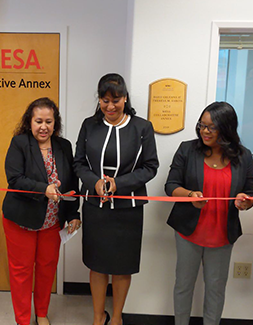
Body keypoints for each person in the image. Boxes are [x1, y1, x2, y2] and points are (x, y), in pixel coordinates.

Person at [74, 73, 158, 325]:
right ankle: (98, 317)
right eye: (104, 100)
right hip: (95, 207)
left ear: (125, 98)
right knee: (98, 265)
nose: (110, 106)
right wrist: (95, 182)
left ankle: (117, 317)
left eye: (116, 100)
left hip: (128, 209)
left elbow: (150, 167)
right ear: (99, 100)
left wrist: (118, 183)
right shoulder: (89, 125)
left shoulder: (142, 128)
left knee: (122, 266)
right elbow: (78, 163)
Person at [164, 102, 253, 325]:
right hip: (189, 232)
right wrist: (189, 195)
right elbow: (171, 185)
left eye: (211, 127)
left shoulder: (244, 156)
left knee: (215, 288)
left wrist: (245, 203)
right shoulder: (187, 149)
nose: (205, 131)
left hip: (223, 235)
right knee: (183, 285)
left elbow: (250, 193)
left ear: (227, 129)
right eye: (202, 126)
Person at [2, 97, 81, 325]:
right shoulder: (19, 143)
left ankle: (42, 313)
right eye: (38, 121)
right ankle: (24, 319)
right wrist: (43, 189)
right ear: (30, 122)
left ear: (55, 123)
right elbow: (15, 179)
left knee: (47, 269)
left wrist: (74, 214)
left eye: (48, 121)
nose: (43, 126)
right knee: (22, 272)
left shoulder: (64, 146)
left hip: (52, 221)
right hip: (21, 220)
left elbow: (71, 184)